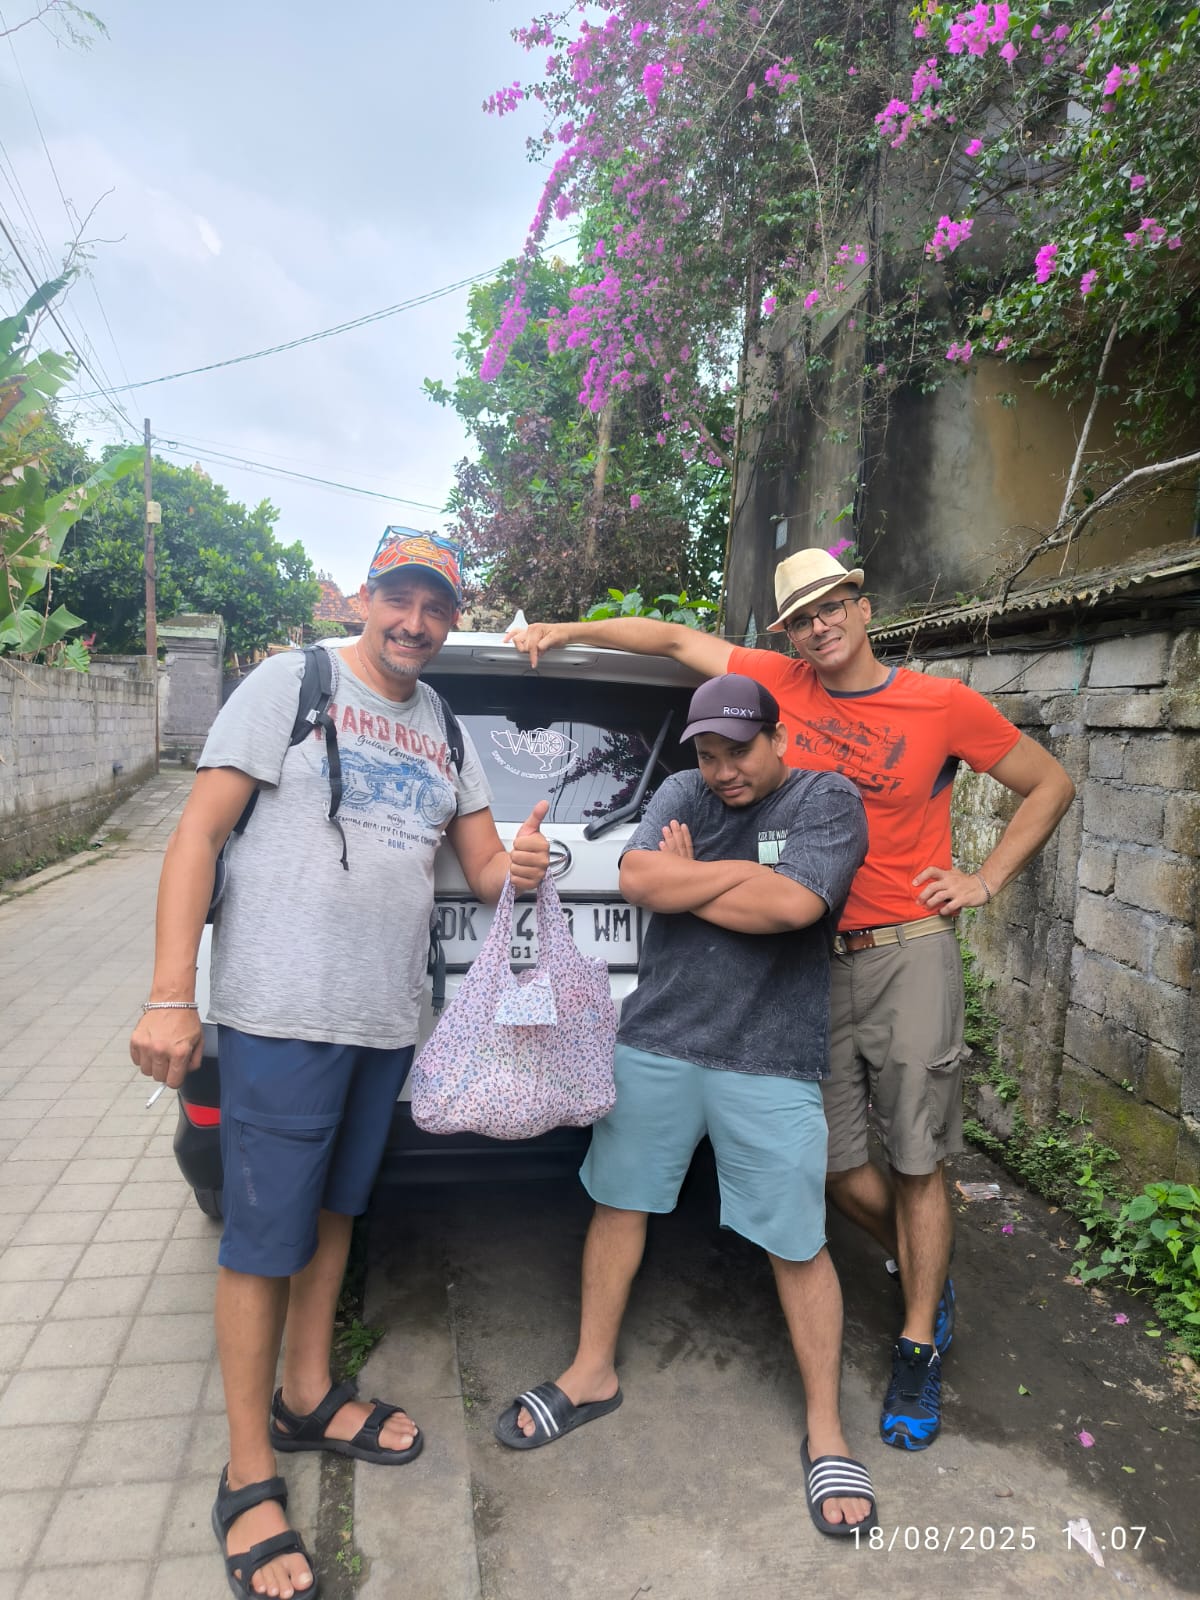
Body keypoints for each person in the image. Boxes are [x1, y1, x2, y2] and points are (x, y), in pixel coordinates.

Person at [507, 548, 1075, 1453]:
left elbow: (1050, 782)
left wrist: (984, 879)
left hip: (900, 945)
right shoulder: (768, 690)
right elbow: (664, 639)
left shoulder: (940, 703)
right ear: (785, 638)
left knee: (919, 1153)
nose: (820, 625)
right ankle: (923, 1265)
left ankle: (919, 1334)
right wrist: (561, 630)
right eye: (800, 617)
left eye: (832, 605)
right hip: (804, 970)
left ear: (861, 602)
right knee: (837, 1163)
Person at [131, 528, 549, 1600]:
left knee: (332, 1216)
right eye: (400, 599)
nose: (416, 622)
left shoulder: (445, 724)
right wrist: (171, 993)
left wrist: (530, 863)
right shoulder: (293, 680)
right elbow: (198, 832)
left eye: (436, 607)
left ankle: (308, 1394)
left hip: (381, 1021)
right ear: (367, 596)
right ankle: (247, 1473)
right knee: (261, 1239)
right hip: (278, 1014)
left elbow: (486, 863)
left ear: (451, 617)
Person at [495, 674, 879, 1538]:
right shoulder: (680, 786)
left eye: (738, 751)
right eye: (708, 755)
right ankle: (592, 1370)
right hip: (656, 1041)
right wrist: (702, 877)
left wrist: (696, 870)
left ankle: (825, 1427)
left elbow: (794, 905)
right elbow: (639, 884)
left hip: (770, 1057)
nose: (722, 771)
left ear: (778, 739)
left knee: (796, 1237)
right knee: (617, 1204)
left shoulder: (828, 799)